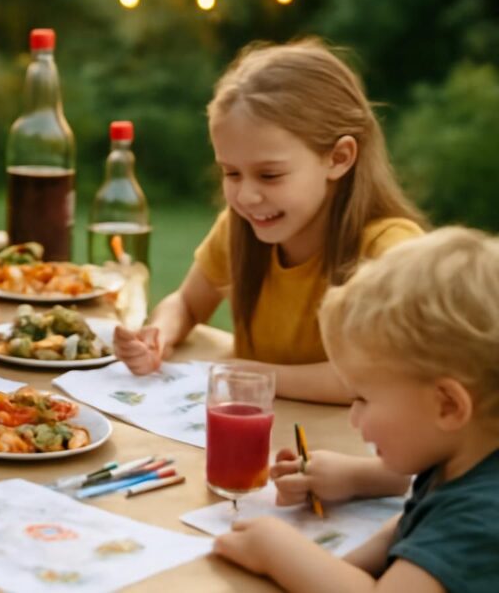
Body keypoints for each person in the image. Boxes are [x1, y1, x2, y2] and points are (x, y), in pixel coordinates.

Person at [114, 38, 425, 403]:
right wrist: (159, 335)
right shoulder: (237, 228)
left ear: (339, 158)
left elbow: (370, 378)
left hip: (344, 450)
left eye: (270, 175)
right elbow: (187, 303)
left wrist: (250, 375)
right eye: (231, 173)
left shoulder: (389, 252)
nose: (246, 196)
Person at [214, 227, 499, 592]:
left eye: (363, 398)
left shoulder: (482, 518)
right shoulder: (460, 457)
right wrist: (337, 568)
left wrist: (277, 549)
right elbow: (406, 528)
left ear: (447, 406)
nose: (353, 418)